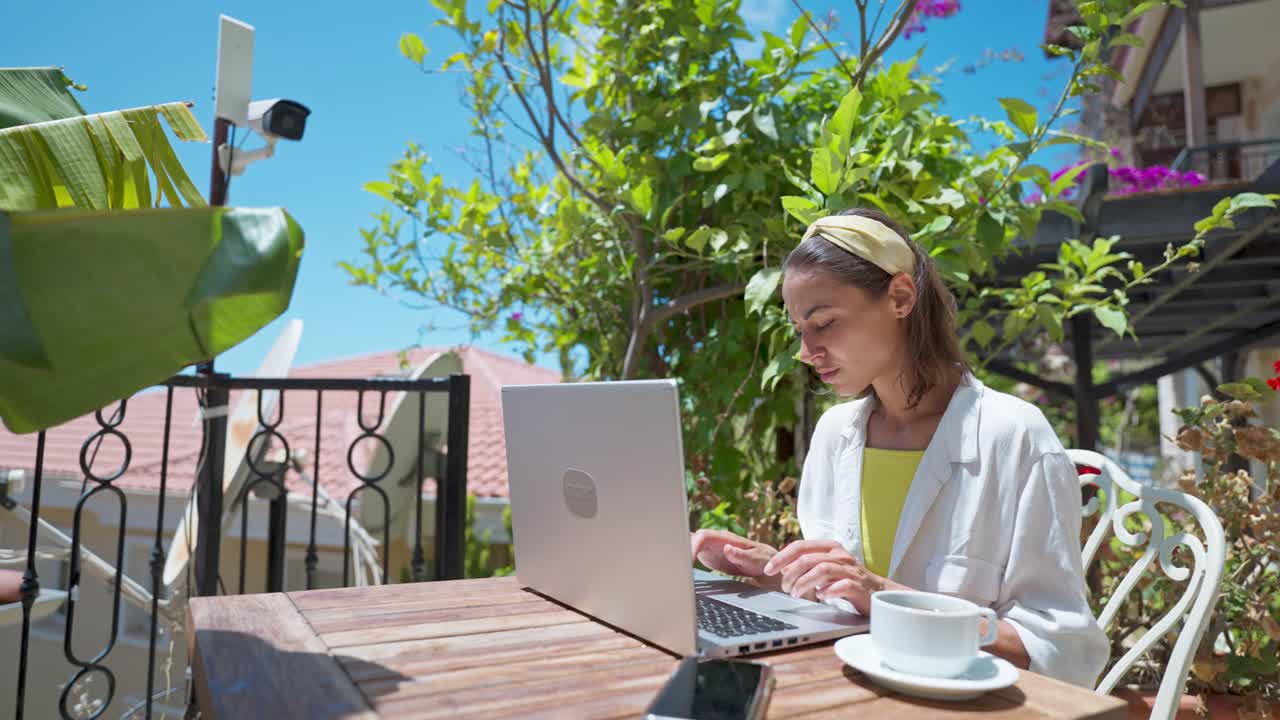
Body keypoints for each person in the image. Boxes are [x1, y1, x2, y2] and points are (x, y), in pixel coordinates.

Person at [690, 208, 1109, 687]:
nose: (807, 351)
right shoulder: (834, 435)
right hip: (844, 688)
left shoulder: (1013, 437)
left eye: (823, 322)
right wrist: (769, 569)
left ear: (901, 297)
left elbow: (1064, 652)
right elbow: (843, 603)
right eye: (798, 330)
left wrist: (881, 594)